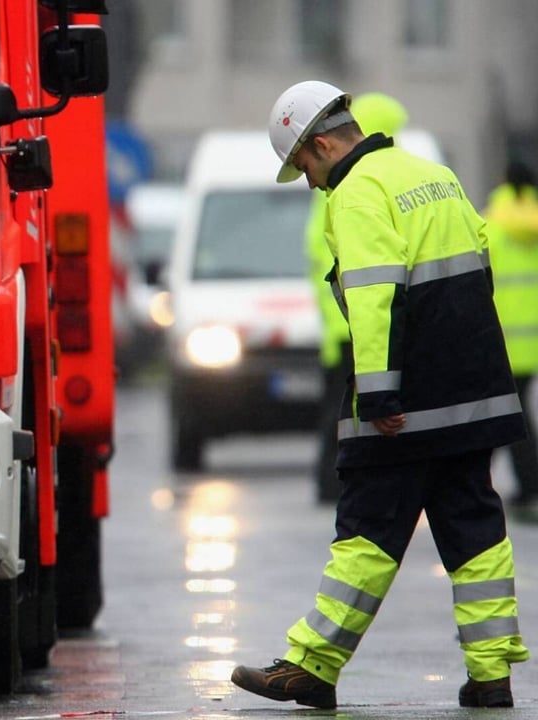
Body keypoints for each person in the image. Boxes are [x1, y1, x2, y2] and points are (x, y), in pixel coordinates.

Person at [230, 80, 530, 709]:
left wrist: (380, 395)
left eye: (304, 167)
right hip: (474, 391)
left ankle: (311, 665)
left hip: (408, 399)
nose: (312, 183)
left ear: (319, 144)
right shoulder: (433, 173)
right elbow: (479, 264)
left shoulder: (357, 192)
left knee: (367, 530)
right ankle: (491, 673)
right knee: (475, 532)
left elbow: (373, 299)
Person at [304, 92, 410, 503]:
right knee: (347, 410)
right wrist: (343, 324)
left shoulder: (346, 187)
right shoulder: (353, 190)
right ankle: (334, 481)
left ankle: (337, 481)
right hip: (355, 324)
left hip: (347, 321)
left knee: (345, 408)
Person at [484, 161, 538, 506]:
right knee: (513, 413)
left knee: (504, 417)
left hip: (501, 340)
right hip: (532, 342)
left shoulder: (489, 223)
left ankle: (528, 483)